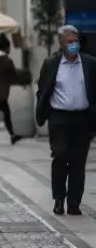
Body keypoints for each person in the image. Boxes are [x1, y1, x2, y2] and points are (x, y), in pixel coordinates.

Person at [36, 25, 96, 216]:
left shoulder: (90, 63)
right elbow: (43, 89)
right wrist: (43, 111)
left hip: (82, 119)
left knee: (78, 161)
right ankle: (59, 198)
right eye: (69, 42)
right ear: (61, 44)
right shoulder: (51, 64)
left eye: (75, 41)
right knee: (60, 157)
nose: (73, 45)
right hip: (59, 117)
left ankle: (74, 203)